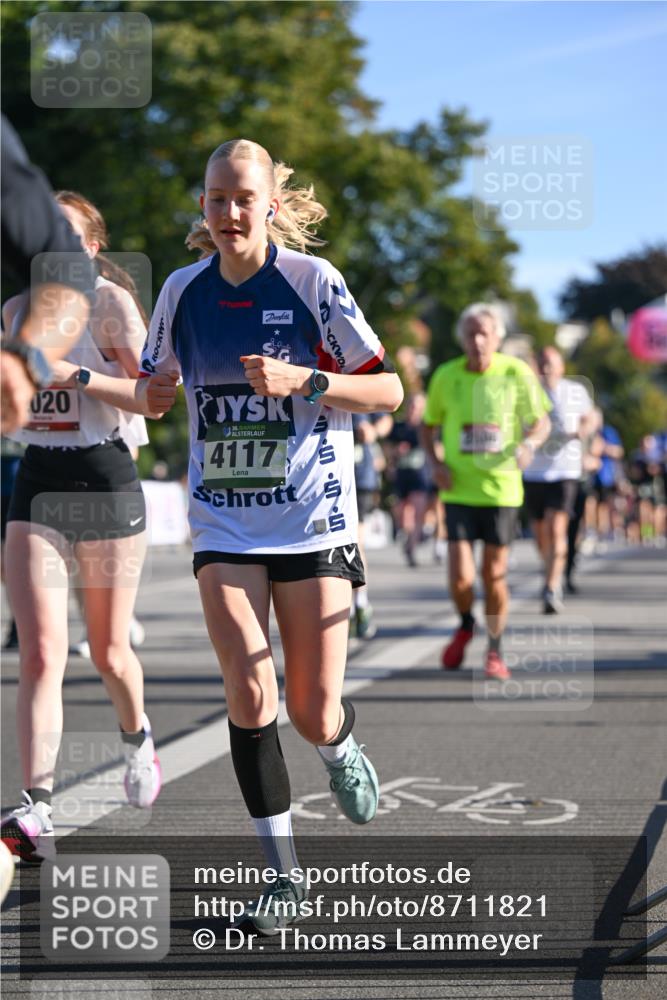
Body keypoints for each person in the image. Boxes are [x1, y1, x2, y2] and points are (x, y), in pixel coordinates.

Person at [133, 138, 403, 934]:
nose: (227, 214)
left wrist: (307, 380)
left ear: (270, 204)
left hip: (312, 519)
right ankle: (283, 878)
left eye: (242, 198)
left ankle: (338, 745)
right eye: (215, 199)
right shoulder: (181, 291)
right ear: (204, 206)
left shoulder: (313, 283)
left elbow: (385, 390)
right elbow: (153, 396)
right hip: (222, 522)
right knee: (251, 695)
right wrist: (111, 383)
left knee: (312, 709)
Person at [0, 192, 160, 863]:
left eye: (67, 237)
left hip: (106, 483)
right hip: (37, 482)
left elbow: (153, 394)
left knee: (108, 651)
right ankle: (37, 804)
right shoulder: (15, 314)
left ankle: (136, 736)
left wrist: (76, 373)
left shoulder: (112, 306)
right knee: (39, 652)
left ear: (92, 248)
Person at [420, 303, 550, 680]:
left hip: (501, 490)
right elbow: (428, 426)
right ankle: (465, 624)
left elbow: (540, 422)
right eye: (471, 333)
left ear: (498, 338)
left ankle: (495, 650)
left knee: (493, 574)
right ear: (461, 338)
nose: (477, 340)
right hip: (458, 488)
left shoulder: (516, 373)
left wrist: (529, 446)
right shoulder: (446, 375)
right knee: (460, 577)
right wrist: (436, 463)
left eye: (485, 333)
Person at [1, 116, 94, 433]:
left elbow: (67, 270)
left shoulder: (115, 301)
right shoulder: (12, 309)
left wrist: (24, 362)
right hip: (35, 463)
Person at [523, 347, 597, 613]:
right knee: (541, 534)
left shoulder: (575, 391)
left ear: (561, 367)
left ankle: (552, 587)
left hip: (565, 470)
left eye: (550, 364)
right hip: (533, 471)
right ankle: (551, 568)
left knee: (557, 530)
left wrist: (583, 430)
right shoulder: (527, 391)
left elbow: (591, 417)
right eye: (541, 363)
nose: (545, 368)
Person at [351, 410, 392, 638]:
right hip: (324, 475)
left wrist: (373, 432)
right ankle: (344, 608)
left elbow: (386, 417)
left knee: (354, 543)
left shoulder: (357, 375)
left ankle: (360, 603)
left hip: (360, 477)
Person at [387, 392, 432, 567]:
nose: (414, 410)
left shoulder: (425, 427)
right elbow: (387, 449)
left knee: (418, 509)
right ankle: (407, 537)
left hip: (420, 474)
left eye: (418, 407)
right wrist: (395, 453)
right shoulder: (398, 426)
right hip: (401, 473)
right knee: (402, 512)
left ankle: (412, 547)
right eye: (412, 406)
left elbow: (435, 448)